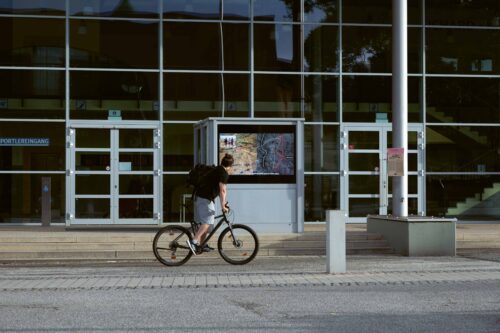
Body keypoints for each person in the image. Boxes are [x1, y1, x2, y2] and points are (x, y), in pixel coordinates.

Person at [186, 153, 234, 255]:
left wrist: (223, 204)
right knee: (207, 223)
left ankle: (202, 244)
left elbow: (222, 190)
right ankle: (194, 242)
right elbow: (222, 191)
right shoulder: (223, 173)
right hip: (204, 199)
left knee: (208, 224)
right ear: (230, 166)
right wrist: (223, 206)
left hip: (202, 198)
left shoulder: (218, 169)